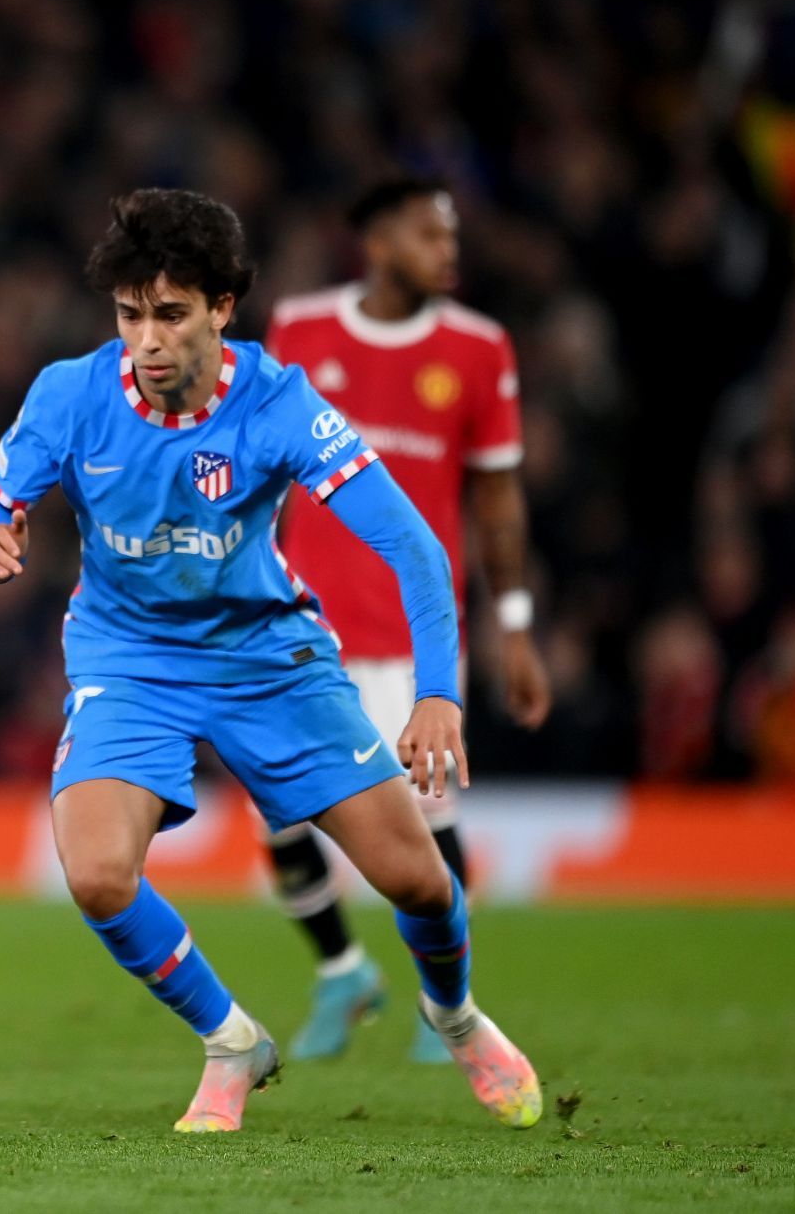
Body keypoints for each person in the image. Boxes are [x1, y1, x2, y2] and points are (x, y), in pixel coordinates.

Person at [0, 189, 541, 1132]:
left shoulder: (278, 403)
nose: (147, 340)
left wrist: (438, 693)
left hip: (268, 658)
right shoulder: (71, 394)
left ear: (223, 308)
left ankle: (456, 1012)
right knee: (100, 873)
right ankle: (231, 1038)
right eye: (130, 313)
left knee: (420, 882)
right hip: (130, 659)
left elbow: (416, 547)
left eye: (171, 313)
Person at [269, 177, 552, 1063]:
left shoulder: (478, 347)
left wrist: (514, 624)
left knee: (424, 824)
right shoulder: (301, 330)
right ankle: (342, 970)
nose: (449, 251)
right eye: (431, 235)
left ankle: (445, 1000)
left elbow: (498, 500)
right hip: (299, 627)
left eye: (451, 234)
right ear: (380, 245)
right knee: (280, 819)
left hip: (408, 633)